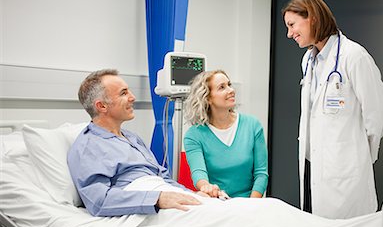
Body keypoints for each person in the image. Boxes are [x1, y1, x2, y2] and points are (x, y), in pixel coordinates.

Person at [282, 0, 383, 219]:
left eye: (292, 25)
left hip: (346, 169)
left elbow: (376, 114)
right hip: (313, 165)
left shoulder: (354, 56)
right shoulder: (308, 60)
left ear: (311, 17)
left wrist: (356, 156)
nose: (289, 34)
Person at [67, 69, 204, 217]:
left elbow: (162, 176)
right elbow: (99, 201)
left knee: (220, 208)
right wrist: (157, 199)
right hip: (144, 203)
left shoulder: (132, 138)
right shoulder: (89, 147)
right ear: (102, 106)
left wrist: (193, 195)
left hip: (162, 193)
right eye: (123, 93)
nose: (132, 97)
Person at [183, 70, 268, 198]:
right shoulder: (194, 135)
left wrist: (251, 206)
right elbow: (199, 173)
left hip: (250, 202)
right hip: (218, 201)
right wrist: (206, 187)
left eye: (229, 84)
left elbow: (261, 174)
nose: (231, 90)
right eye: (222, 87)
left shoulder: (252, 126)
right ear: (207, 98)